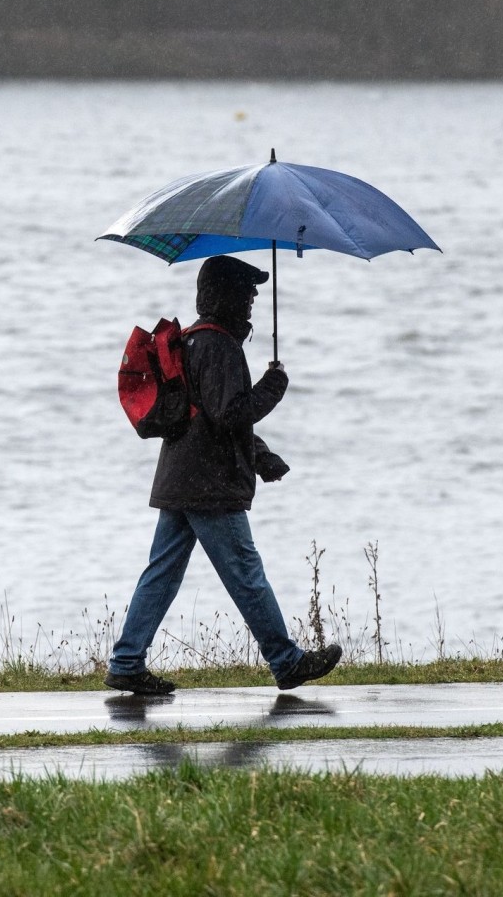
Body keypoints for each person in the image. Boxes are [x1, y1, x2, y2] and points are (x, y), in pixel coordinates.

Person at [105, 254, 342, 695]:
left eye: (254, 293)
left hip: (180, 478)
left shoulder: (195, 341)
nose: (252, 300)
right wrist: (272, 389)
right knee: (245, 573)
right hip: (208, 486)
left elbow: (206, 420)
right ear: (223, 296)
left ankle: (126, 661)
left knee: (161, 573)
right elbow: (229, 414)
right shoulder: (219, 347)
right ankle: (286, 662)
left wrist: (260, 454)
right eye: (245, 292)